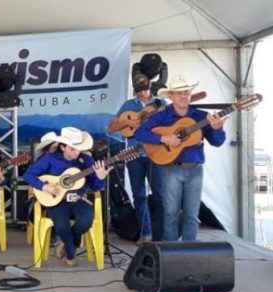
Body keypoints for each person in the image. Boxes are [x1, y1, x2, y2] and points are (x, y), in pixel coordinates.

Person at [133, 77, 226, 242]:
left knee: (192, 215)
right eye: (179, 93)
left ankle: (189, 255)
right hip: (170, 169)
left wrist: (218, 129)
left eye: (187, 92)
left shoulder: (201, 116)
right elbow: (139, 133)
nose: (184, 96)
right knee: (170, 213)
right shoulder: (162, 115)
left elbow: (217, 142)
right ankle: (171, 253)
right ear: (171, 96)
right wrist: (164, 139)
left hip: (195, 169)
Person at [23, 127, 109, 266]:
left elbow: (95, 187)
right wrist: (45, 186)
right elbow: (29, 175)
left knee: (86, 221)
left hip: (78, 199)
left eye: (78, 149)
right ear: (63, 147)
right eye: (72, 149)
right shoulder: (50, 159)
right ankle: (70, 254)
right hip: (56, 201)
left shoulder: (86, 160)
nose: (77, 153)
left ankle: (68, 247)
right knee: (62, 226)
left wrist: (100, 177)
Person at [108, 74, 165, 244]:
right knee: (138, 195)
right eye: (139, 89)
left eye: (145, 89)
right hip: (134, 154)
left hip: (156, 153)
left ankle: (161, 235)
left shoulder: (160, 104)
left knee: (159, 194)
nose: (142, 93)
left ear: (150, 88)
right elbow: (111, 127)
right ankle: (145, 233)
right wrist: (128, 124)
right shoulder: (129, 105)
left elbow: (169, 124)